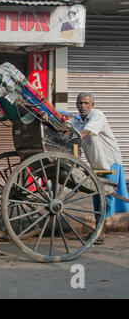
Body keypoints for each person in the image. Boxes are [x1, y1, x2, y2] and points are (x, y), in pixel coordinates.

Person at [70, 92, 129, 244]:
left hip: (109, 161)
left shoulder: (97, 116)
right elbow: (69, 130)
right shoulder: (77, 119)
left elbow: (84, 133)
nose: (82, 106)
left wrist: (70, 137)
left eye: (86, 103)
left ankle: (100, 232)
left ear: (92, 105)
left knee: (106, 197)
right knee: (97, 196)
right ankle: (98, 231)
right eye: (80, 103)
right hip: (96, 163)